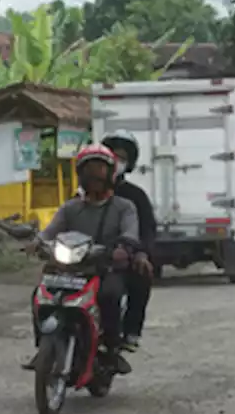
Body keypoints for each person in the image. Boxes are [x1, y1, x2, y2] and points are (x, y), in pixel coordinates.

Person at [24, 144, 140, 374]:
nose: (95, 175)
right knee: (40, 296)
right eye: (89, 169)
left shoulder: (124, 207)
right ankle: (44, 347)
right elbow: (50, 231)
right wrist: (38, 242)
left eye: (100, 169)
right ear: (80, 174)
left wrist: (123, 247)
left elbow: (130, 233)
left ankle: (111, 349)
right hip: (69, 269)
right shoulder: (70, 208)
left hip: (105, 268)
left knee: (110, 295)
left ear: (111, 173)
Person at [99, 129, 156, 352]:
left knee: (138, 277)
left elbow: (147, 229)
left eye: (121, 158)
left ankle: (128, 332)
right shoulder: (82, 194)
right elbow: (62, 223)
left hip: (120, 258)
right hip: (85, 257)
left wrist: (140, 252)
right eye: (112, 156)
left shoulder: (134, 198)